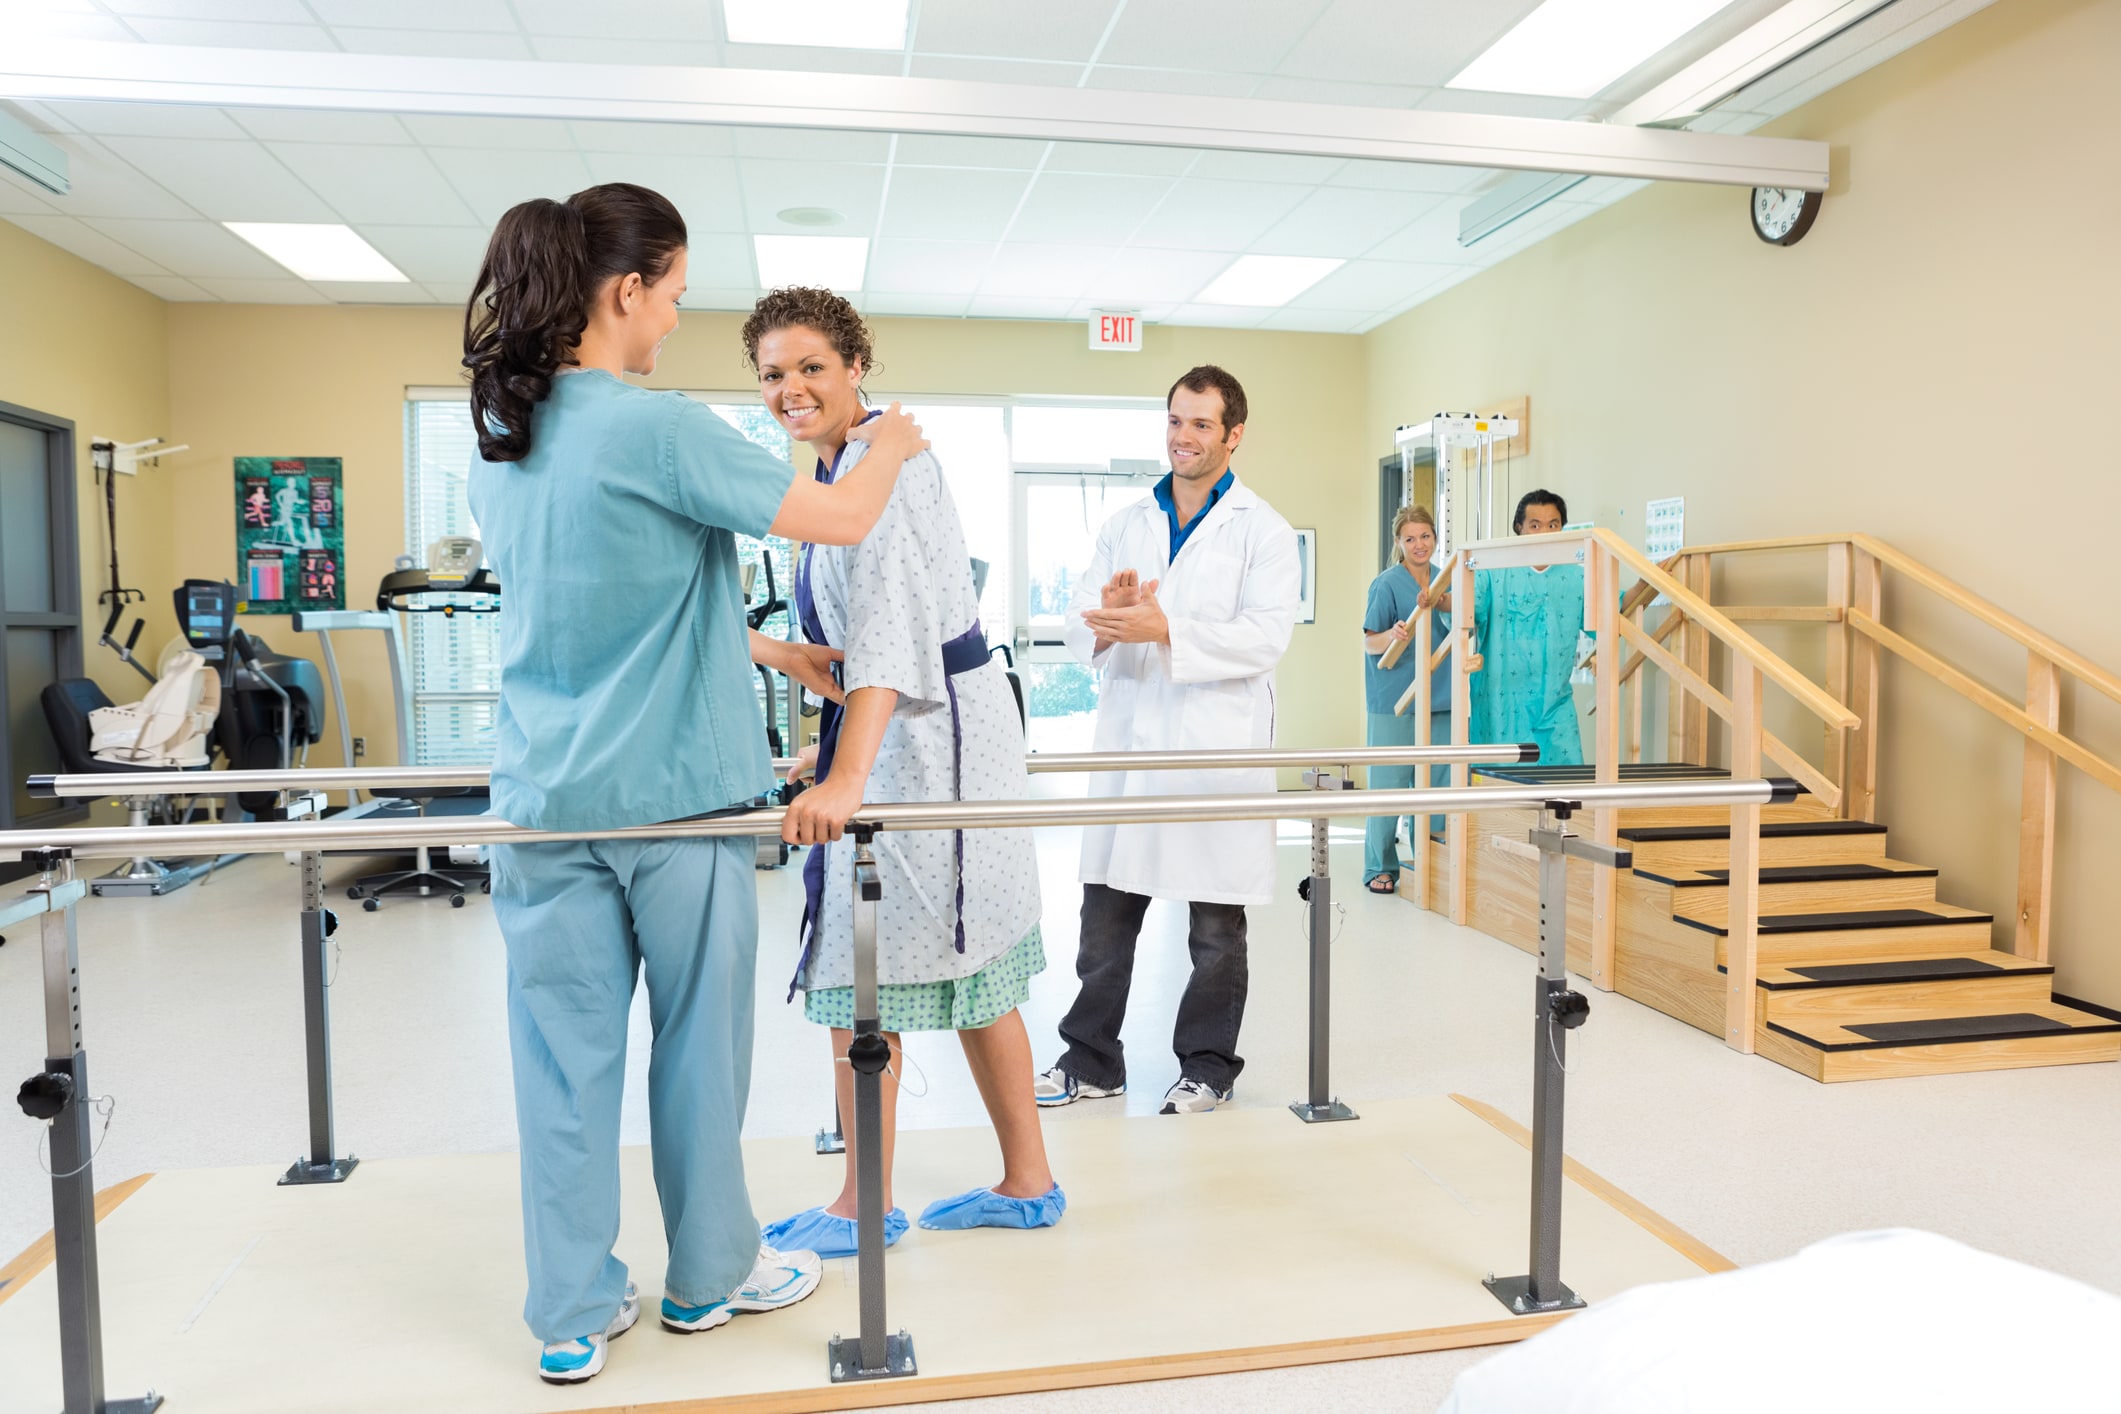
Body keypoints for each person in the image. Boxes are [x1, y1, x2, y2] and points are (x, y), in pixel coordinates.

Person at [463, 184, 930, 1386]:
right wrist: (891, 440)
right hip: (677, 804)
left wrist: (766, 648)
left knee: (561, 1064)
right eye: (671, 295)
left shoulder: (503, 438)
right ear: (627, 291)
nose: (673, 320)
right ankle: (707, 1277)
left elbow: (609, 596)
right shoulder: (654, 426)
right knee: (695, 1051)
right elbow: (836, 515)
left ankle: (570, 1312)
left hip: (544, 805)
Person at [753, 288, 1063, 1257]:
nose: (792, 388)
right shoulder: (850, 461)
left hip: (932, 746)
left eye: (811, 366)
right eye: (772, 373)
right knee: (964, 971)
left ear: (856, 366)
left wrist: (849, 776)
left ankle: (866, 1201)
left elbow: (887, 634)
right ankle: (1025, 1181)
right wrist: (840, 745)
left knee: (861, 974)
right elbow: (866, 639)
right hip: (923, 729)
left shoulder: (884, 464)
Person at [1036, 365, 1300, 1116]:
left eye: (1200, 425)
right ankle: (1091, 1061)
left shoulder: (1264, 530)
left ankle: (1208, 1067)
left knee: (1215, 927)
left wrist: (1166, 629)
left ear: (1233, 434)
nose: (1183, 437)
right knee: (1105, 917)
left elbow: (1264, 637)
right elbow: (1075, 619)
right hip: (1132, 741)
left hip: (1213, 750)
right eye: (1175, 421)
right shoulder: (1126, 522)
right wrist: (1110, 612)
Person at [1361, 505, 1451, 893]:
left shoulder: (1446, 579)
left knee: (1436, 790)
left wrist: (1445, 601)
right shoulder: (1386, 584)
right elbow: (1369, 642)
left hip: (1442, 698)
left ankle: (1432, 865)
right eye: (1410, 538)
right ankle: (1380, 866)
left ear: (1435, 537)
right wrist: (1392, 635)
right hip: (1393, 700)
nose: (1419, 545)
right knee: (1390, 787)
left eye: (1425, 536)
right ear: (1399, 542)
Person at [1466, 489, 1585, 766]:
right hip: (1503, 707)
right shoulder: (1493, 572)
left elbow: (1612, 609)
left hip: (1555, 705)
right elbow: (1465, 608)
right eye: (1535, 525)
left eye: (1553, 525)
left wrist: (1648, 585)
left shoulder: (1576, 576)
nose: (1544, 531)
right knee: (1503, 792)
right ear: (1518, 529)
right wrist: (1442, 600)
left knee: (1568, 788)